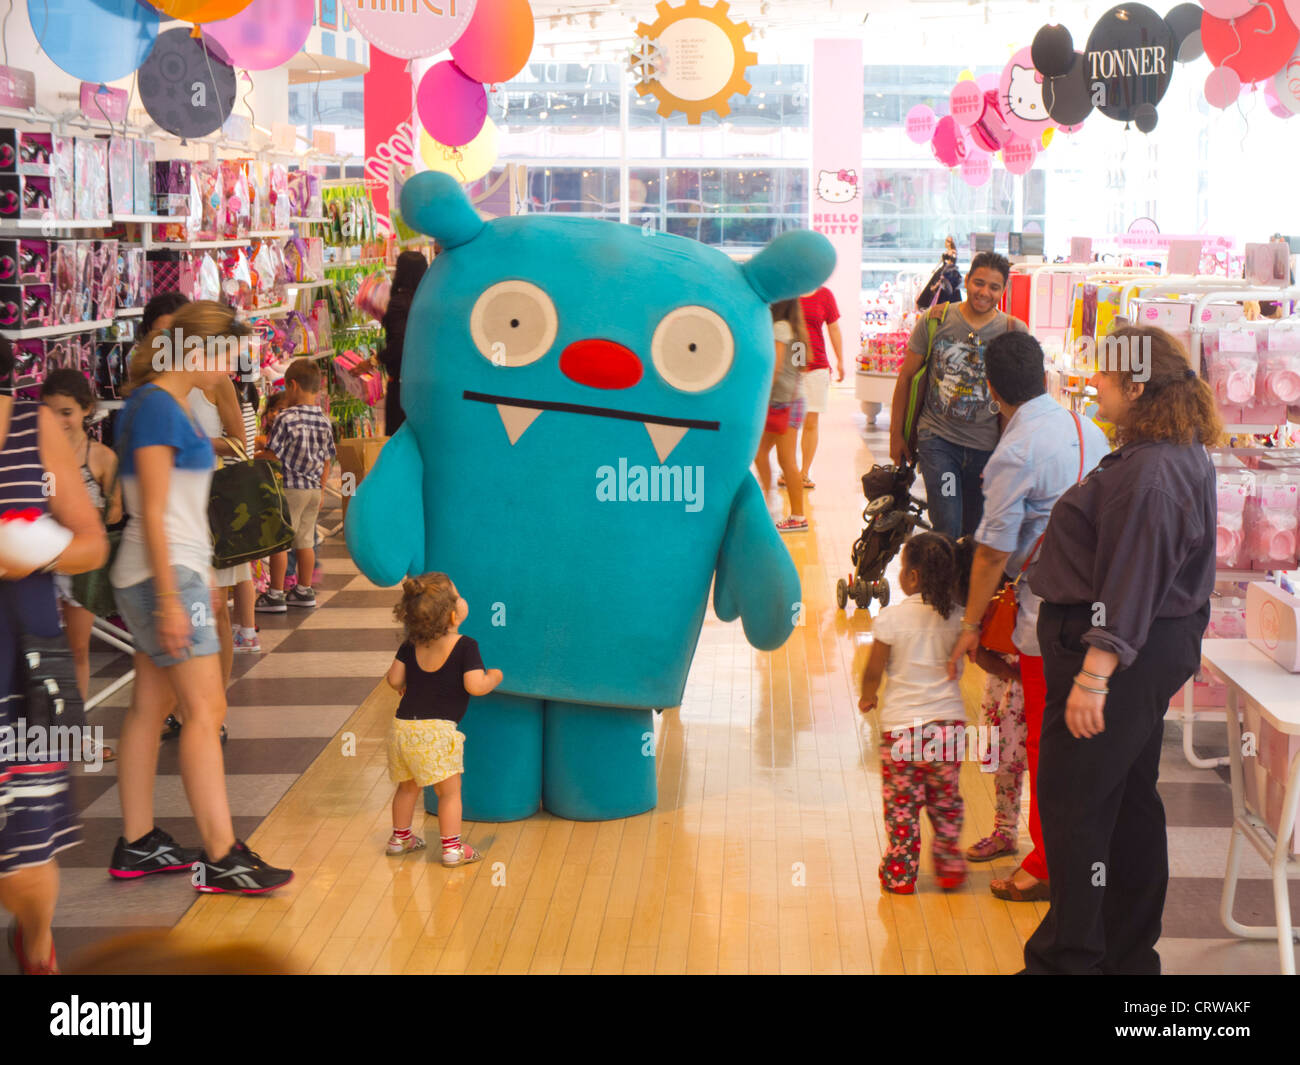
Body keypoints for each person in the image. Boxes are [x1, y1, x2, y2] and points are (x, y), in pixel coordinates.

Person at [1020, 326, 1219, 974]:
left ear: (1136, 387)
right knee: (1127, 798)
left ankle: (1067, 959)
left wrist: (1095, 674)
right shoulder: (1168, 451)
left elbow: (1132, 577)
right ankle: (1126, 953)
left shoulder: (1152, 473)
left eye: (1103, 377)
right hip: (1147, 646)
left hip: (1117, 654)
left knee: (1076, 804)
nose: (1091, 384)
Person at [108, 301, 292, 893]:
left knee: (148, 708)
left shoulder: (152, 403)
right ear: (199, 350)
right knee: (205, 712)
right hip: (167, 575)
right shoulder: (160, 409)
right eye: (228, 355)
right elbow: (156, 515)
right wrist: (169, 599)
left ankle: (137, 842)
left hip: (158, 573)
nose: (231, 370)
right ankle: (220, 855)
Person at [946, 331, 1109, 902]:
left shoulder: (1014, 452)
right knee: (1080, 742)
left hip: (1047, 614)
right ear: (1043, 374)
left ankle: (1045, 863)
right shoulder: (1089, 430)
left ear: (991, 390)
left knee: (1045, 741)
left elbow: (993, 550)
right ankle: (1083, 855)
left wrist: (969, 626)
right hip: (1101, 609)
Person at [0, 335, 108, 974]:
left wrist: (33, 549)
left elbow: (91, 546)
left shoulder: (30, 428)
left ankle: (37, 946)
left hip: (24, 664)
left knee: (27, 859)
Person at [858, 532, 974, 894]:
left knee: (902, 806)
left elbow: (874, 669)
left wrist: (868, 697)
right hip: (948, 728)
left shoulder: (891, 619)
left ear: (911, 577)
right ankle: (949, 862)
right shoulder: (958, 619)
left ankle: (900, 872)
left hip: (903, 732)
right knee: (945, 800)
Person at [889, 251, 1028, 540]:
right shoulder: (936, 320)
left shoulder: (1013, 330)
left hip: (987, 450)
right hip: (939, 442)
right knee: (947, 527)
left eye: (994, 287)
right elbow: (905, 378)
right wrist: (896, 435)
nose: (984, 292)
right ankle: (939, 586)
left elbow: (1022, 397)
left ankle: (960, 586)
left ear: (1003, 290)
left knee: (973, 533)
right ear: (966, 281)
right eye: (978, 283)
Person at [384, 573, 502, 866]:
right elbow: (475, 686)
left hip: (402, 729)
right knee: (449, 793)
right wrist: (494, 677)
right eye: (458, 595)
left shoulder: (411, 644)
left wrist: (406, 684)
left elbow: (393, 679)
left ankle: (400, 839)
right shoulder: (466, 645)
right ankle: (452, 849)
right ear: (452, 613)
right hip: (436, 733)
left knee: (407, 787)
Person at [39, 369, 123, 762]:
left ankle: (76, 731)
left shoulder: (102, 457)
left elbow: (116, 510)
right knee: (39, 651)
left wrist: (88, 520)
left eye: (67, 411)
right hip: (40, 564)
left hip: (82, 567)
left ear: (87, 410)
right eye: (50, 411)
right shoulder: (34, 455)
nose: (58, 420)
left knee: (77, 649)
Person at [256, 359, 335, 613]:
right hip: (313, 490)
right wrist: (322, 490)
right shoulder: (324, 420)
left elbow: (274, 454)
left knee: (279, 542)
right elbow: (327, 460)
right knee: (305, 542)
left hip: (290, 488)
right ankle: (304, 590)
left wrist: (255, 456)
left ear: (292, 385)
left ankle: (276, 593)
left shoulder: (286, 418)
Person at [755, 299, 811, 533]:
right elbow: (802, 365)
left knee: (786, 460)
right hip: (793, 398)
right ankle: (768, 502)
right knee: (761, 453)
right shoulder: (797, 328)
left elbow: (775, 367)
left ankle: (798, 516)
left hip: (782, 402)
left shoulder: (779, 327)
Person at [781, 285, 844, 491]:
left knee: (810, 422)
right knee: (788, 423)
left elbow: (834, 329)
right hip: (789, 368)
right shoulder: (786, 292)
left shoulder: (825, 295)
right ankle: (788, 470)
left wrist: (840, 360)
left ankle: (804, 473)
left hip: (816, 368)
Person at [378, 251, 429, 435]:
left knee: (398, 438)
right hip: (427, 382)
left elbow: (400, 343)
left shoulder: (399, 304)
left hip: (402, 385)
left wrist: (376, 360)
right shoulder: (429, 301)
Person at [916, 237, 963, 311]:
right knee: (933, 287)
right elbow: (941, 261)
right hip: (942, 269)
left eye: (948, 241)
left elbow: (952, 262)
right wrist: (935, 268)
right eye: (945, 241)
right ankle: (928, 304)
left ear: (951, 242)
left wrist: (947, 270)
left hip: (949, 271)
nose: (946, 243)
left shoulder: (953, 252)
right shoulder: (946, 251)